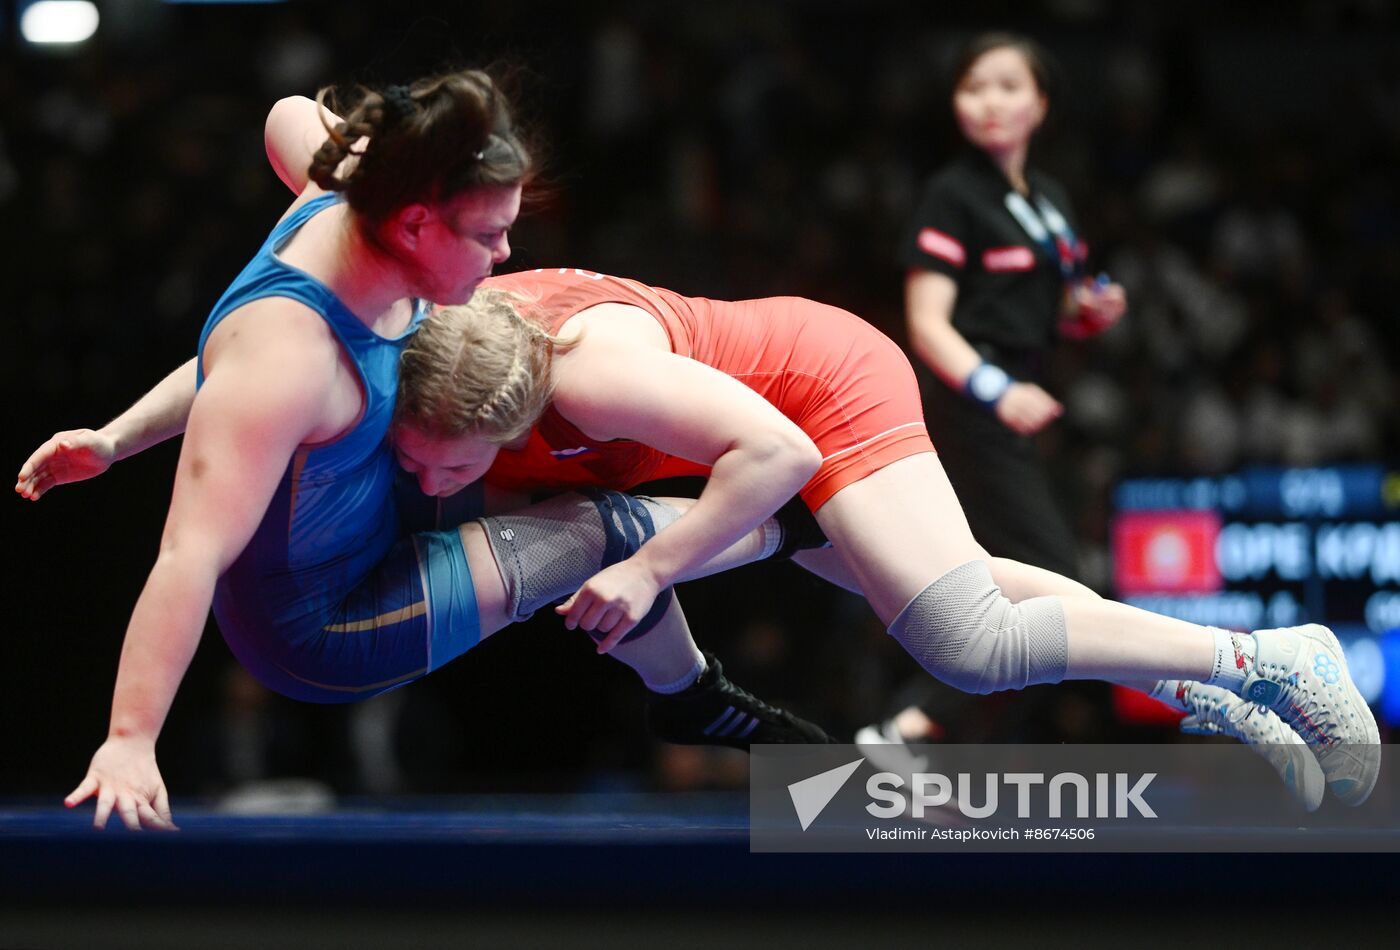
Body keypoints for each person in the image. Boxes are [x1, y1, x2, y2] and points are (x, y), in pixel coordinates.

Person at [15, 72, 831, 831]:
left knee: (548, 482)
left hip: (376, 503)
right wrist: (130, 737)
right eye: (487, 234)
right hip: (323, 625)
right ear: (414, 224)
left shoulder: (357, 196)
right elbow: (188, 552)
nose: (505, 257)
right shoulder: (290, 357)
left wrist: (117, 437)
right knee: (600, 533)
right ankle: (802, 531)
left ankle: (691, 678)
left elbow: (289, 115)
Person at [384, 266, 1379, 813]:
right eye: (417, 458)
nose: (430, 482)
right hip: (746, 431)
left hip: (812, 393)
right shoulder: (426, 352)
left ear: (516, 417)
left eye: (456, 464)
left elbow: (770, 455)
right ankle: (1191, 682)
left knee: (968, 642)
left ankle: (1272, 655)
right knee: (972, 583)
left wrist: (650, 568)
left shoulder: (591, 372)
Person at [868, 33, 1128, 752]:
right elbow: (928, 325)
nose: (990, 102)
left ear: (1040, 104)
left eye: (1008, 86)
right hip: (965, 406)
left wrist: (1085, 315)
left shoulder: (1048, 199)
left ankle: (923, 736)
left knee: (1014, 584)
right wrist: (995, 390)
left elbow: (1053, 304)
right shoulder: (952, 197)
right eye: (974, 87)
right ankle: (911, 725)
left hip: (1016, 400)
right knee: (1054, 580)